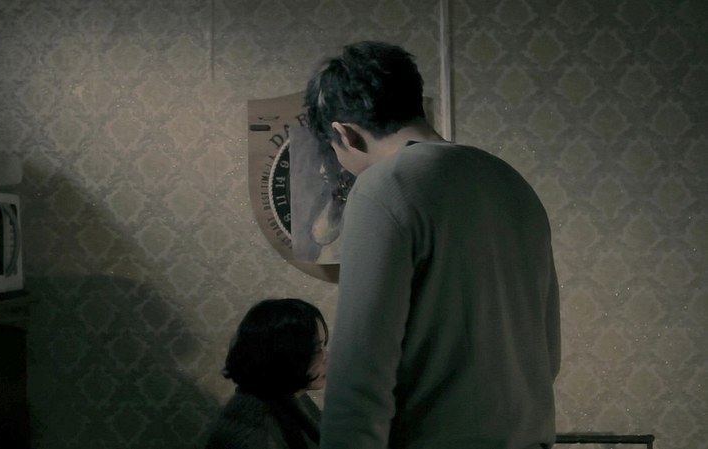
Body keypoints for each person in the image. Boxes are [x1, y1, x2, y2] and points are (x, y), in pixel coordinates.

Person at [303, 41, 561, 449]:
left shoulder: (383, 187)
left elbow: (359, 376)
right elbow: (549, 352)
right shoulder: (511, 183)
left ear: (344, 133)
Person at [205, 298, 329, 449]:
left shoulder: (289, 397)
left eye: (324, 346)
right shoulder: (253, 433)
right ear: (283, 353)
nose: (326, 357)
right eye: (316, 348)